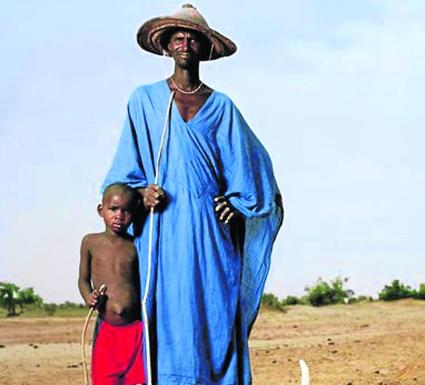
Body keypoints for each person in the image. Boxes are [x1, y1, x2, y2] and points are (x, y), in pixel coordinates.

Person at [102, 4, 283, 385]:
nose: (185, 43)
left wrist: (237, 204)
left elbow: (253, 168)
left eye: (193, 38)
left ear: (204, 48)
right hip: (163, 228)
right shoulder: (144, 101)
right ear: (166, 47)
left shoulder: (222, 108)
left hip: (211, 231)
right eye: (178, 38)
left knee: (215, 312)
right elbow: (122, 176)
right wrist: (140, 194)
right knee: (167, 311)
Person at [78, 183, 146, 385]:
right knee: (105, 379)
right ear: (101, 210)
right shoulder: (90, 242)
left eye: (126, 210)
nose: (119, 215)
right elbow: (82, 279)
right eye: (113, 209)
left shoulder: (137, 245)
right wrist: (88, 296)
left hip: (136, 328)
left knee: (138, 380)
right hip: (106, 328)